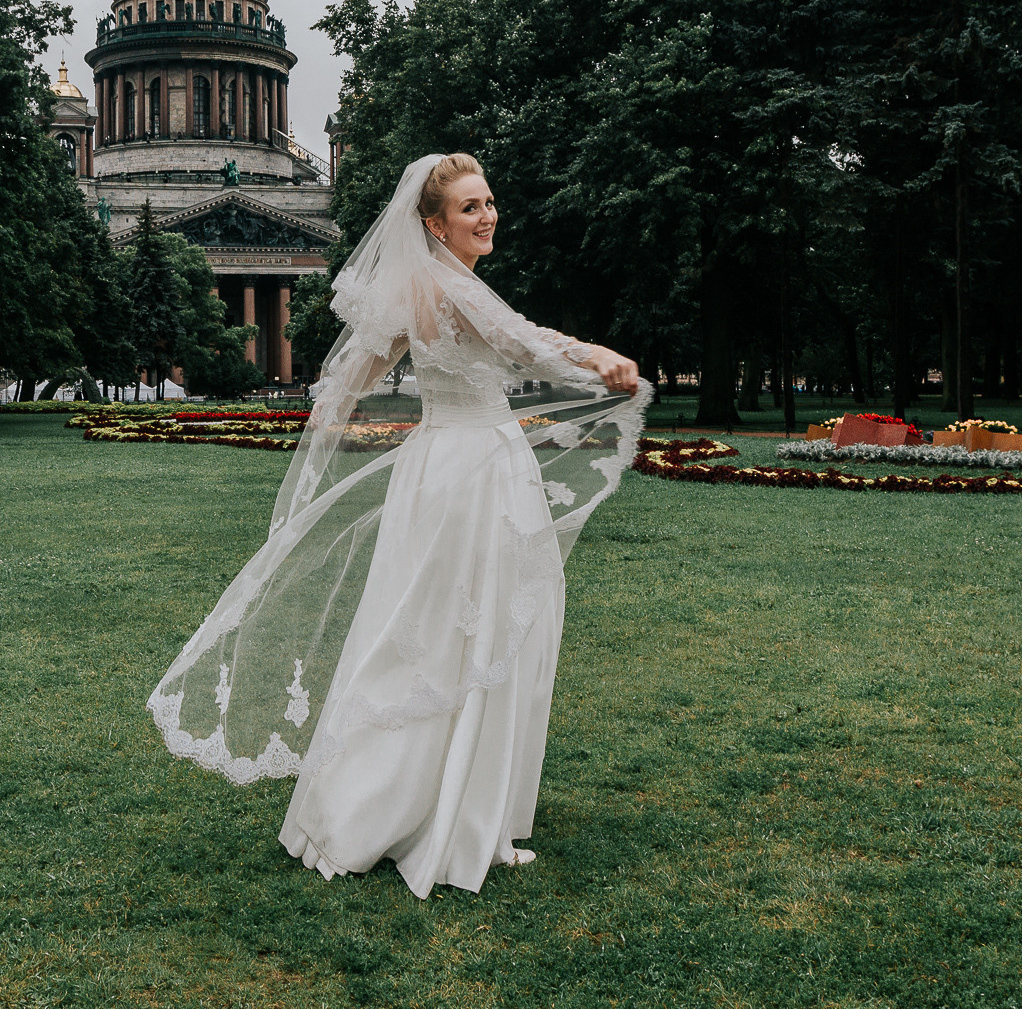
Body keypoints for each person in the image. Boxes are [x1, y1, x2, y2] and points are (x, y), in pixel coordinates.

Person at [147, 153, 648, 898]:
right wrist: (599, 357)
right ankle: (443, 818)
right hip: (473, 470)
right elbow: (523, 343)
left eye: (489, 202)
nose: (488, 216)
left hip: (445, 468)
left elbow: (357, 371)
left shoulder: (421, 287)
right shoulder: (452, 288)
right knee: (461, 635)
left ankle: (417, 802)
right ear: (433, 222)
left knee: (431, 633)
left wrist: (324, 425)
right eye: (471, 208)